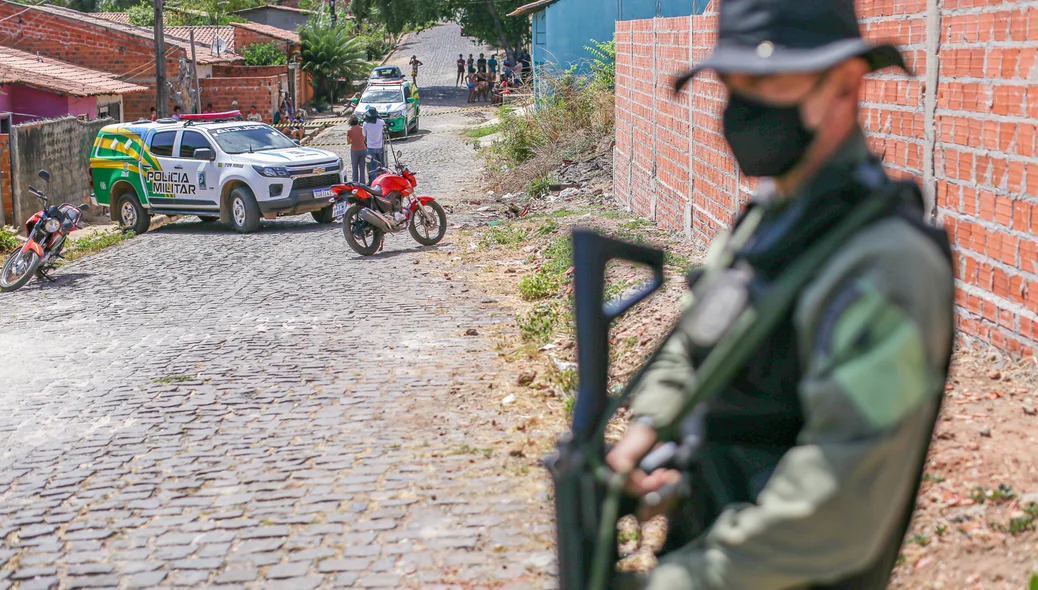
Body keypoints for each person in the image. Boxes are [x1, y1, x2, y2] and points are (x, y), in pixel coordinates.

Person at [603, 0, 954, 589]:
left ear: (844, 85)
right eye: (733, 82)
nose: (744, 105)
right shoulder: (768, 226)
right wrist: (644, 438)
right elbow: (698, 342)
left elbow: (836, 511)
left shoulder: (885, 265)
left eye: (768, 80)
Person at [362, 107, 386, 181]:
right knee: (382, 164)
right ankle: (383, 179)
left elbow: (364, 134)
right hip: (380, 146)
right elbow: (384, 131)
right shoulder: (381, 122)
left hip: (370, 147)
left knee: (372, 165)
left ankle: (373, 181)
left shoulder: (365, 124)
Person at [345, 115, 367, 183]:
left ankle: (355, 182)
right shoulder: (362, 129)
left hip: (354, 150)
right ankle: (363, 182)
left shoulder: (349, 131)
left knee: (354, 168)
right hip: (363, 148)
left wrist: (353, 140)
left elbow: (348, 142)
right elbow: (364, 139)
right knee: (362, 168)